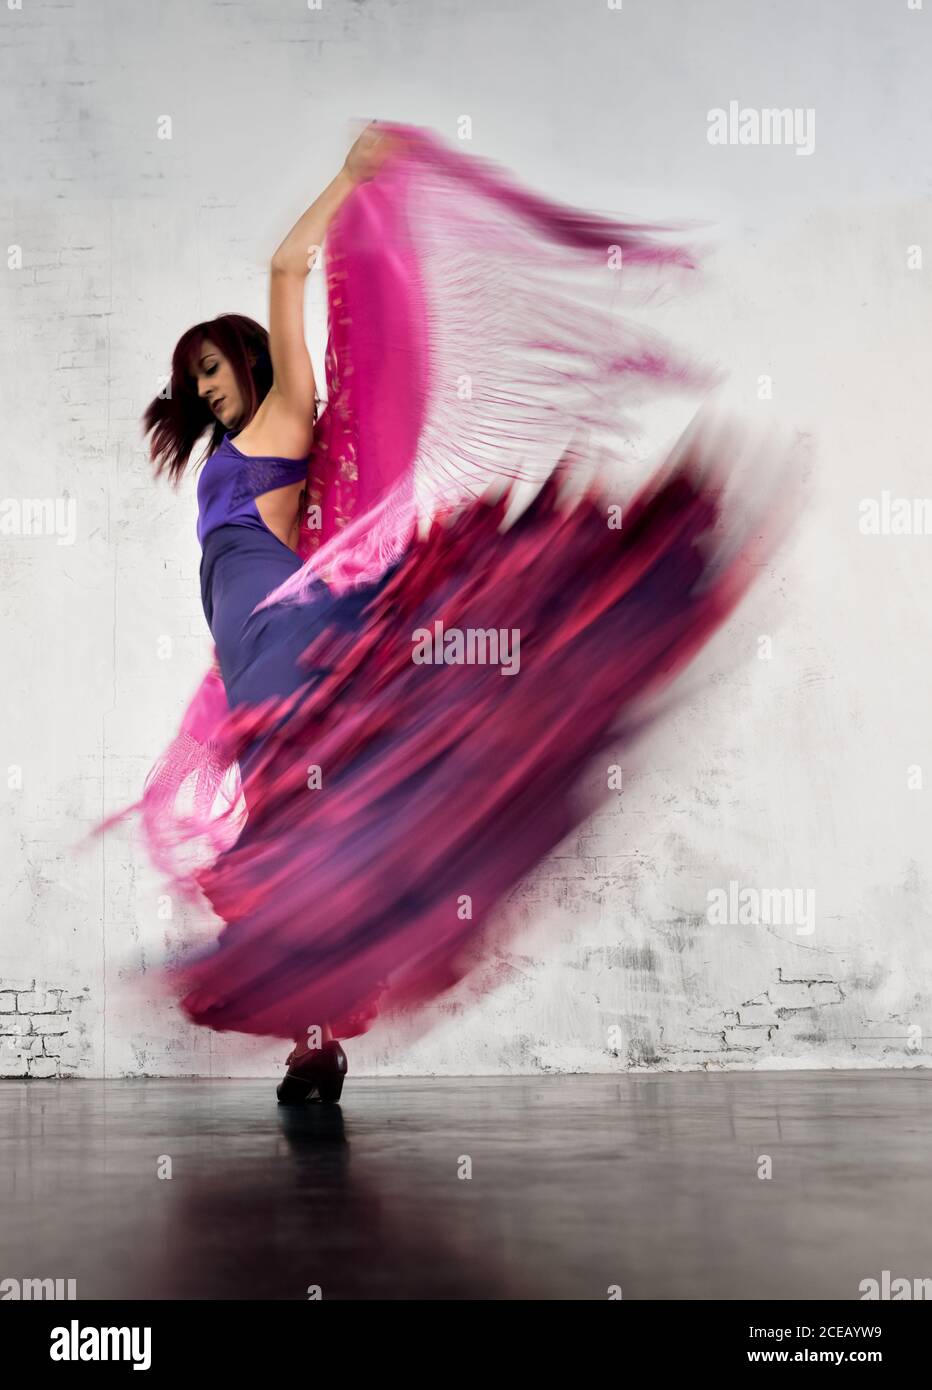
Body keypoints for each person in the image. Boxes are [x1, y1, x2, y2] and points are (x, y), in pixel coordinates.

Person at [91, 121, 794, 1106]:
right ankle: (316, 1034)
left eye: (215, 364)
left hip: (287, 634)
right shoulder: (218, 454)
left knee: (329, 819)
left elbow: (286, 265)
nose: (204, 383)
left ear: (249, 361)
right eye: (193, 373)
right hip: (242, 649)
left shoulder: (285, 410)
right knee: (294, 829)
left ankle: (319, 1028)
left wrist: (346, 177)